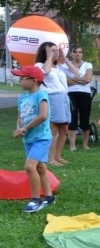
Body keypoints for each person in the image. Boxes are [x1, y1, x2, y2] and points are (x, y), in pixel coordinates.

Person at [11, 65, 55, 213]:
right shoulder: (22, 97)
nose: (19, 81)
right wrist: (19, 128)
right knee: (40, 167)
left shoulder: (41, 95)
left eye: (22, 78)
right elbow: (20, 117)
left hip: (41, 138)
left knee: (30, 167)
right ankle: (49, 197)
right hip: (28, 139)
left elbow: (43, 116)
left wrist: (25, 128)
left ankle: (35, 199)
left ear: (34, 81)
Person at [34, 42, 70, 166]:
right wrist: (49, 58)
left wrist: (64, 59)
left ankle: (57, 156)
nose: (56, 52)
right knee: (53, 128)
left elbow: (77, 73)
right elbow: (46, 71)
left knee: (64, 128)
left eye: (56, 50)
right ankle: (50, 158)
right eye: (52, 50)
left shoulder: (59, 66)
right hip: (52, 97)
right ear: (45, 52)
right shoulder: (39, 65)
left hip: (64, 97)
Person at [60, 45, 94, 151]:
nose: (77, 54)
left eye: (80, 52)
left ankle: (85, 144)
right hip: (71, 94)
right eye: (75, 52)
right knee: (72, 119)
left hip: (85, 94)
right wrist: (80, 78)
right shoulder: (64, 66)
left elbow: (88, 79)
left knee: (85, 119)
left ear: (82, 54)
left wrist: (72, 79)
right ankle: (72, 145)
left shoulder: (87, 64)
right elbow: (64, 81)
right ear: (71, 53)